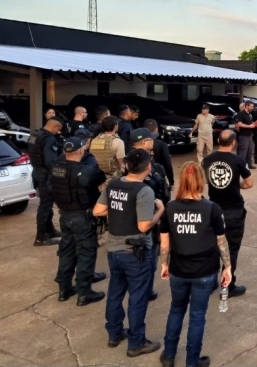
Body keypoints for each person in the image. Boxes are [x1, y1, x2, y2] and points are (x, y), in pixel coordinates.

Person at [159, 162, 233, 367]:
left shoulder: (170, 208)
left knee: (176, 310)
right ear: (202, 181)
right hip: (204, 271)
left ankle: (168, 355)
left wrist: (164, 265)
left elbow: (165, 242)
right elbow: (221, 241)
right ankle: (192, 362)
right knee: (197, 316)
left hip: (178, 270)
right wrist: (228, 267)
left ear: (182, 180)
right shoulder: (212, 208)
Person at [93, 149, 165, 357]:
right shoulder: (144, 191)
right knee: (138, 298)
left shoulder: (114, 184)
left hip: (114, 251)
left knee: (115, 293)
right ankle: (136, 342)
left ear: (126, 166)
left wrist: (119, 211)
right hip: (135, 252)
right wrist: (159, 211)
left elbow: (98, 211)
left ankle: (114, 333)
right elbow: (143, 226)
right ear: (148, 167)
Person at [51, 137, 107, 306]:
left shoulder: (55, 168)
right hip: (82, 217)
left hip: (65, 215)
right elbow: (100, 178)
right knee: (86, 252)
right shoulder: (85, 170)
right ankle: (84, 292)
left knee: (67, 250)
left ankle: (64, 288)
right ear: (81, 151)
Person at [202, 130, 254, 298]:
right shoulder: (238, 160)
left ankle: (209, 282)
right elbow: (249, 183)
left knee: (211, 248)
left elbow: (203, 180)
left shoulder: (208, 159)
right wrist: (236, 187)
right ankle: (228, 286)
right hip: (233, 211)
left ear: (218, 140)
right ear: (233, 143)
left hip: (213, 209)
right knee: (231, 250)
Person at [131, 127, 171, 302]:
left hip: (138, 215)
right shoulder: (141, 163)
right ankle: (145, 289)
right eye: (150, 139)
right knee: (149, 253)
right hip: (149, 215)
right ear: (143, 142)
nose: (153, 142)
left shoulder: (131, 160)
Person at [28, 117, 64, 246]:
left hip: (37, 172)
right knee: (45, 205)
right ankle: (41, 237)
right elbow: (50, 161)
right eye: (58, 130)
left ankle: (49, 230)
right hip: (46, 176)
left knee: (46, 203)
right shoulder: (49, 139)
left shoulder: (35, 135)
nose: (58, 132)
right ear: (54, 127)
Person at [90, 116, 126, 186]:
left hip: (96, 177)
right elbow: (120, 164)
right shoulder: (118, 142)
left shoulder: (94, 140)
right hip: (112, 178)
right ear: (115, 126)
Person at [144, 119, 175, 188]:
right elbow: (167, 164)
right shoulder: (162, 144)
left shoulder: (139, 144)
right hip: (158, 176)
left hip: (143, 177)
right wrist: (171, 182)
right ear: (156, 129)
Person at [235, 101, 257, 169]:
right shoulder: (241, 114)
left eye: (252, 107)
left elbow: (249, 123)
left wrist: (254, 123)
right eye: (251, 107)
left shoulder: (249, 114)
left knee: (250, 150)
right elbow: (239, 124)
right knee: (243, 151)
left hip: (250, 135)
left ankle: (249, 164)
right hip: (243, 135)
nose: (252, 108)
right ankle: (240, 165)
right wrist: (249, 126)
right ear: (246, 106)